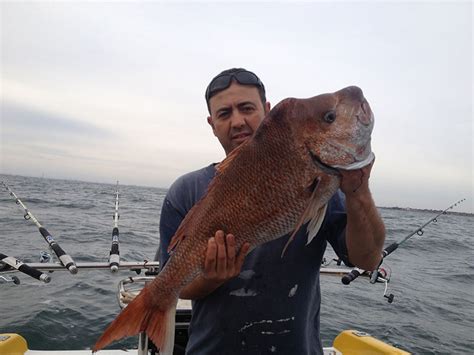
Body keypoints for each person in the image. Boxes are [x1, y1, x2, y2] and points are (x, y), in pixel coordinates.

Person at [156, 68, 386, 354]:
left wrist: (358, 189)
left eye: (246, 108)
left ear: (266, 110)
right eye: (224, 113)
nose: (237, 121)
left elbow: (367, 259)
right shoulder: (186, 190)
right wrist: (212, 277)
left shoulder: (325, 181)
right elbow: (177, 284)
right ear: (212, 123)